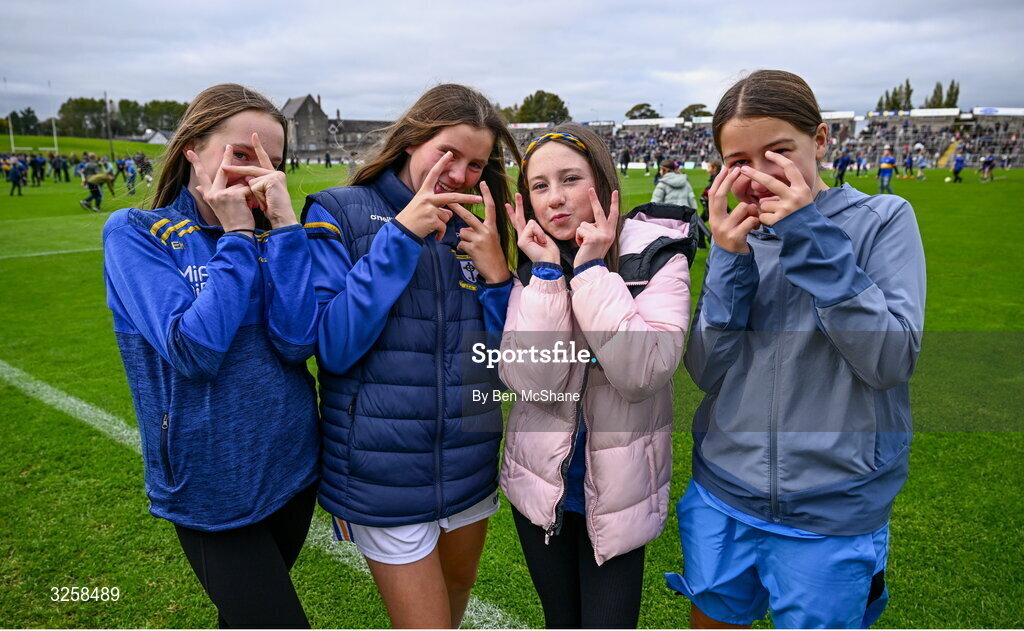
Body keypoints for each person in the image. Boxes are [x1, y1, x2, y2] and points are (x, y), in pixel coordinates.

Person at [667, 69, 926, 629]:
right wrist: (730, 261)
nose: (758, 176)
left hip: (834, 505)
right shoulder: (737, 235)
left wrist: (807, 235)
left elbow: (889, 362)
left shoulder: (882, 221)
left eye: (779, 151)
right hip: (723, 492)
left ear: (822, 140)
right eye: (738, 161)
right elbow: (706, 370)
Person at [102, 83, 320, 628]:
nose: (258, 174)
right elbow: (193, 350)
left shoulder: (275, 237)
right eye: (242, 154)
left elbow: (298, 342)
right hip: (212, 486)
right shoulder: (138, 233)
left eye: (273, 160)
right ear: (191, 150)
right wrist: (238, 236)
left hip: (292, 468)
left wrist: (286, 230)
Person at [302, 83, 519, 629]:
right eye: (448, 152)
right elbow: (334, 345)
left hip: (470, 464)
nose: (460, 173)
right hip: (383, 474)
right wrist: (400, 236)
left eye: (476, 163)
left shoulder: (479, 229)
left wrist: (498, 276)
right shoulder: (339, 211)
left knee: (456, 595)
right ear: (412, 139)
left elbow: (511, 365)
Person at [499, 125, 692, 628]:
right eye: (539, 186)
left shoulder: (656, 255)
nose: (555, 199)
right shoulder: (532, 265)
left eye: (569, 179)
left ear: (602, 182)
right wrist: (545, 275)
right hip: (543, 489)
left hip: (619, 493)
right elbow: (532, 381)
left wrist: (587, 274)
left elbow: (641, 372)